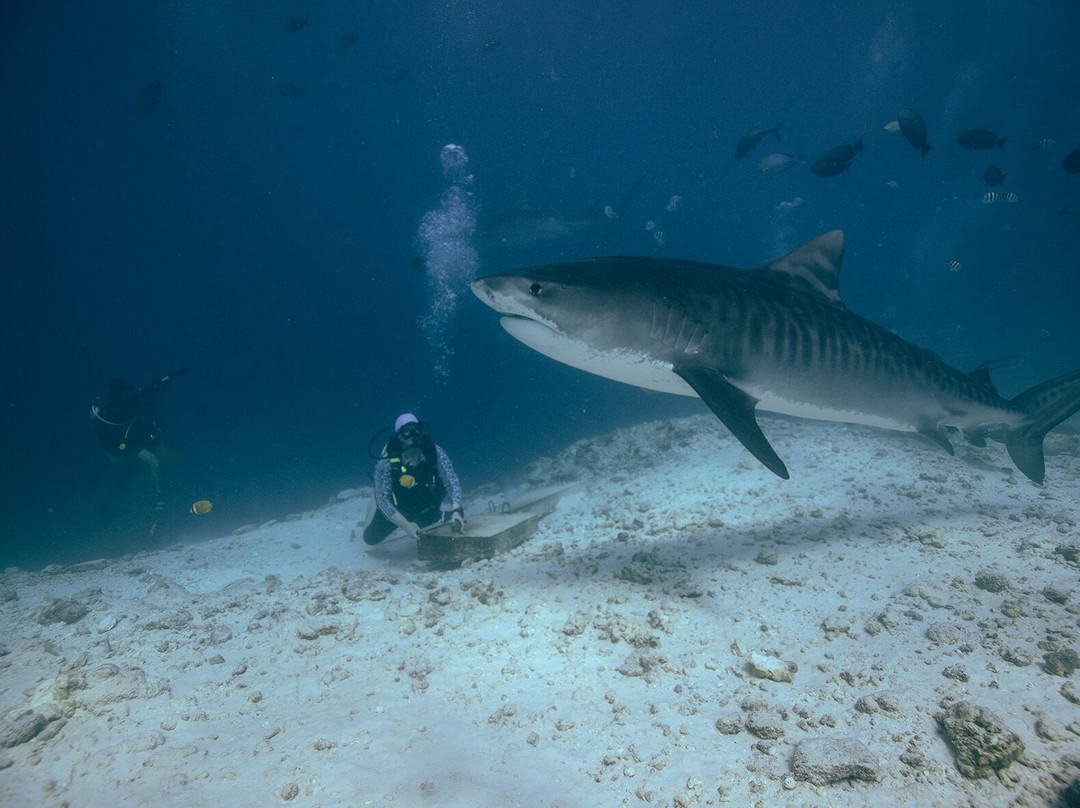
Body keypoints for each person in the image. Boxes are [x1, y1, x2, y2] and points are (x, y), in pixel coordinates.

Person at [91, 369, 185, 534]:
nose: (131, 394)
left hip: (138, 438)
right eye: (127, 392)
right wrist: (155, 392)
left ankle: (138, 469)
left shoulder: (127, 398)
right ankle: (160, 501)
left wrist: (160, 384)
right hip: (124, 446)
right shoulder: (112, 410)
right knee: (154, 461)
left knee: (175, 458)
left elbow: (142, 394)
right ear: (120, 394)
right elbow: (145, 408)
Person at [362, 413, 464, 545]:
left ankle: (439, 515)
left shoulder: (434, 452)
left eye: (416, 429)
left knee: (457, 522)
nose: (412, 434)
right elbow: (383, 500)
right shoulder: (386, 463)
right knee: (370, 538)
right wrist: (406, 526)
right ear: (398, 435)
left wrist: (456, 510)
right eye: (406, 431)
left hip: (426, 503)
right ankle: (374, 496)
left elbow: (451, 482)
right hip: (399, 507)